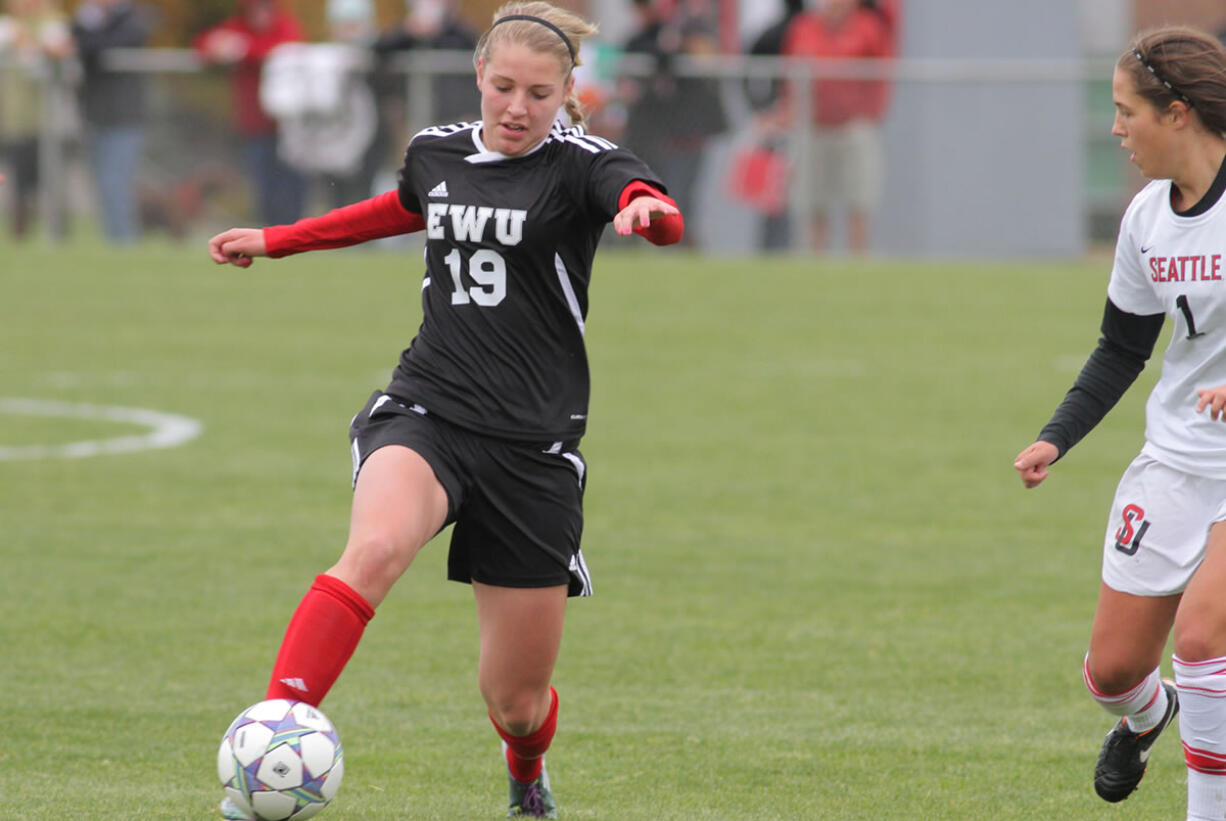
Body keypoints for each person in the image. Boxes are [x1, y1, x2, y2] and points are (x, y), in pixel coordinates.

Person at [207, 2, 683, 818]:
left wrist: (650, 211)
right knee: (377, 546)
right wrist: (280, 237)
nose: (517, 107)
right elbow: (396, 209)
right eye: (503, 87)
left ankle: (526, 774)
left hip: (532, 448)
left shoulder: (580, 165)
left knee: (517, 702)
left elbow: (640, 195)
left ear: (568, 89)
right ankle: (274, 733)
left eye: (538, 92)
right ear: (478, 77)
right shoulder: (436, 151)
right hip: (429, 406)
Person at [1014, 26, 1226, 820]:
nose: (1115, 129)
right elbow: (1121, 349)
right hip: (1176, 457)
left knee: (1205, 641)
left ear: (1177, 114)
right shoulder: (1145, 219)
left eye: (1124, 110)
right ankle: (1149, 715)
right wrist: (1055, 435)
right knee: (1111, 671)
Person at [771, 0, 897, 255]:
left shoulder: (868, 28)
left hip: (854, 128)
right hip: (813, 128)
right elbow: (789, 75)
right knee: (813, 204)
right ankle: (815, 269)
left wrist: (870, 114)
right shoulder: (804, 27)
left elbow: (882, 76)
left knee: (858, 203)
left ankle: (858, 266)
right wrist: (789, 111)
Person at [194, 0, 305, 225]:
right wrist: (219, 49)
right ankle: (269, 232)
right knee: (263, 185)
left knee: (293, 183)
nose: (260, 14)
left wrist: (244, 50)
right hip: (254, 124)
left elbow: (285, 51)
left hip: (288, 125)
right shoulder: (238, 27)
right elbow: (203, 45)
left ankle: (294, 231)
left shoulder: (285, 26)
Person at [70, 0, 153, 244]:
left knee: (116, 182)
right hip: (95, 114)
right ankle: (113, 239)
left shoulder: (132, 18)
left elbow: (99, 45)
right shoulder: (87, 19)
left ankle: (123, 242)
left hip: (125, 116)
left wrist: (87, 35)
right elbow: (79, 41)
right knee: (102, 184)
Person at [0, 0, 72, 239]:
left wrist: (27, 44)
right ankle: (20, 234)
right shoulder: (7, 26)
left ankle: (57, 235)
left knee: (52, 183)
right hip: (14, 121)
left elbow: (44, 67)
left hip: (48, 122)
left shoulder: (52, 22)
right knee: (18, 184)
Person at [742, 0, 804, 251]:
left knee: (795, 195)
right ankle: (773, 248)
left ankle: (787, 247)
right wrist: (767, 111)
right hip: (780, 126)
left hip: (807, 123)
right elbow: (746, 73)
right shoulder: (779, 32)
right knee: (774, 195)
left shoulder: (807, 30)